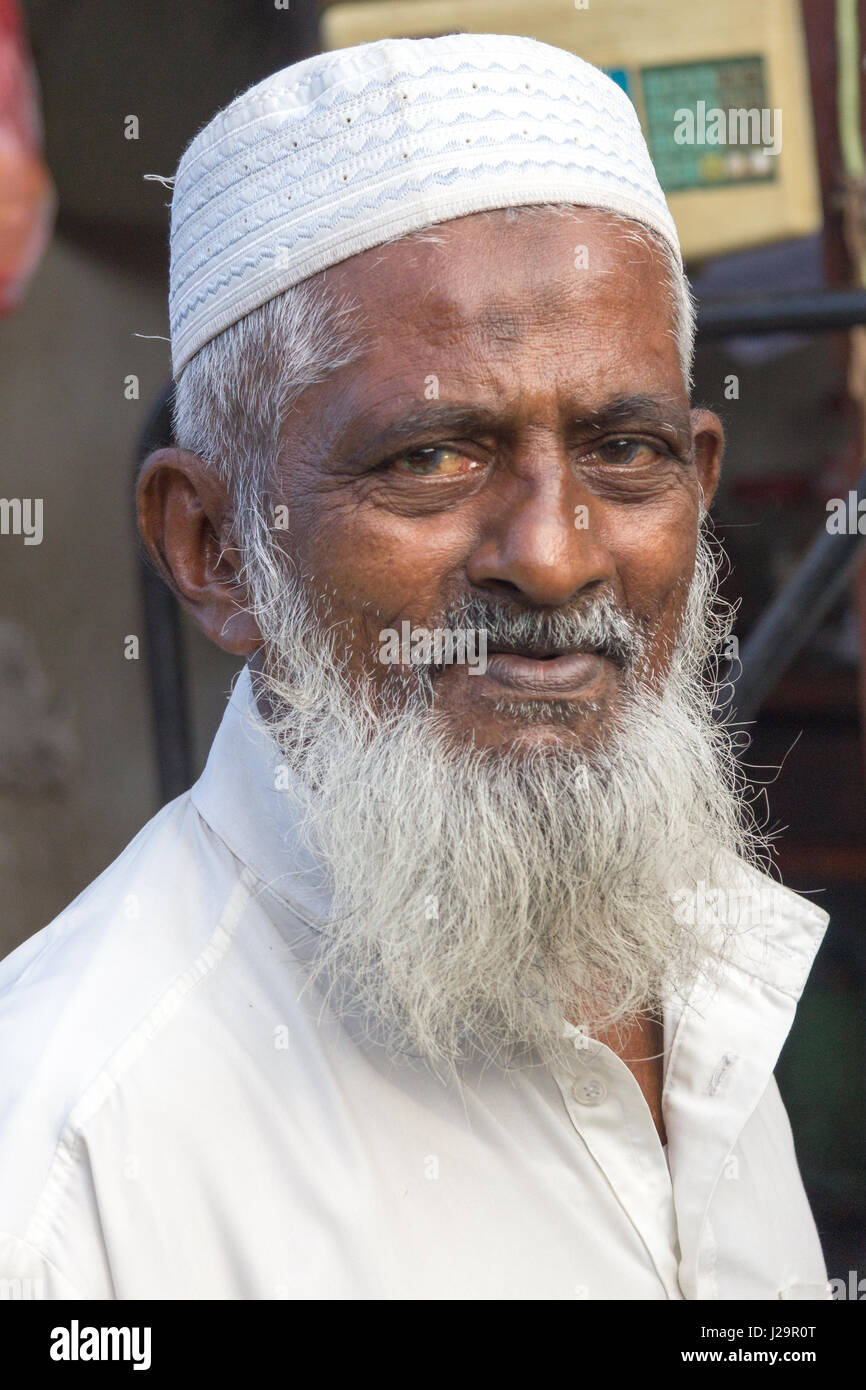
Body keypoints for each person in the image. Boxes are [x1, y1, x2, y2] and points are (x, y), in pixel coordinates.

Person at [0, 31, 830, 1300]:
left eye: (625, 448)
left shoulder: (714, 964)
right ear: (212, 547)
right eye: (431, 457)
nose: (553, 558)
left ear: (699, 485)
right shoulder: (65, 1177)